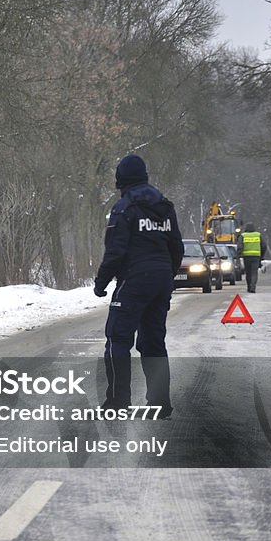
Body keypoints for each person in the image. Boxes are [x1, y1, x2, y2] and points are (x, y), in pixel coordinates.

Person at [93, 154, 183, 418]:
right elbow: (176, 246)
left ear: (121, 180)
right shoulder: (165, 207)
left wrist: (101, 283)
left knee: (118, 339)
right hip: (162, 280)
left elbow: (115, 252)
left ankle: (118, 402)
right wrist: (167, 274)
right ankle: (160, 403)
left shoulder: (124, 209)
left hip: (134, 280)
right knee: (154, 342)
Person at [237, 223, 267, 292]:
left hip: (246, 257)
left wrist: (238, 255)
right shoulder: (258, 235)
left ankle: (249, 286)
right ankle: (253, 287)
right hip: (256, 257)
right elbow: (264, 246)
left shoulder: (243, 235)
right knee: (254, 272)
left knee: (248, 273)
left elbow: (240, 247)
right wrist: (262, 255)